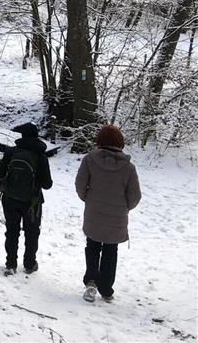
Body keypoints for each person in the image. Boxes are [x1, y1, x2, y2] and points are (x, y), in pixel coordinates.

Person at [75, 124, 141, 303]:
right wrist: (124, 208)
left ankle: (91, 281)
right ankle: (106, 289)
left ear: (100, 140)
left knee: (92, 246)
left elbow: (80, 185)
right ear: (120, 142)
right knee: (111, 251)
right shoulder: (129, 168)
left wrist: (88, 199)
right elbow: (135, 196)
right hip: (116, 219)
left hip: (94, 214)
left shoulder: (89, 160)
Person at [0, 122, 53, 275]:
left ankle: (10, 264)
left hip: (10, 199)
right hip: (33, 202)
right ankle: (30, 264)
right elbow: (47, 184)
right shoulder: (41, 156)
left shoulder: (11, 152)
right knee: (32, 233)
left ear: (22, 135)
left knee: (12, 232)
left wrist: (9, 181)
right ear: (36, 136)